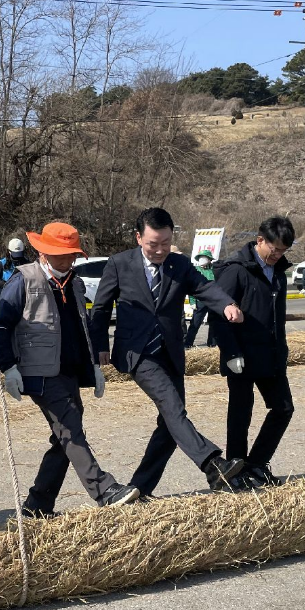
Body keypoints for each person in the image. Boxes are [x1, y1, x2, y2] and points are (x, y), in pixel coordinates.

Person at [90, 208, 245, 496]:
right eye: (153, 244)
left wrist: (226, 304)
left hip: (171, 352)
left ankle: (140, 488)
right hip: (138, 353)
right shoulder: (119, 263)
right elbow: (100, 308)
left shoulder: (179, 264)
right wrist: (100, 346)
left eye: (165, 242)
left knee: (170, 424)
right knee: (174, 409)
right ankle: (213, 465)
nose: (160, 250)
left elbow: (204, 287)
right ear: (138, 238)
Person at [0, 222, 139, 518]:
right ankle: (104, 489)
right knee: (69, 428)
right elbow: (0, 325)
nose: (67, 260)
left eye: (71, 254)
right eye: (60, 254)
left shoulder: (75, 283)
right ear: (42, 252)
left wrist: (94, 367)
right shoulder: (23, 280)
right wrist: (8, 368)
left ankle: (37, 505)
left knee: (65, 437)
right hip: (40, 372)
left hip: (70, 369)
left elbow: (84, 327)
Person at [211, 217, 296, 488]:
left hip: (271, 354)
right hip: (242, 354)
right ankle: (235, 471)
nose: (278, 254)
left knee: (283, 408)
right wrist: (231, 352)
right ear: (260, 240)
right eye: (275, 248)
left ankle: (256, 465)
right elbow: (218, 313)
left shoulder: (279, 272)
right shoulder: (236, 270)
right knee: (241, 414)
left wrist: (282, 350)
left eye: (283, 250)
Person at [183, 250, 217, 349]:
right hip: (200, 300)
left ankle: (212, 343)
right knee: (195, 323)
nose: (202, 259)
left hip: (213, 300)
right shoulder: (195, 270)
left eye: (204, 258)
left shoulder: (214, 270)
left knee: (213, 323)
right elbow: (191, 287)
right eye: (200, 257)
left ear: (209, 260)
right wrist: (192, 301)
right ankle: (188, 343)